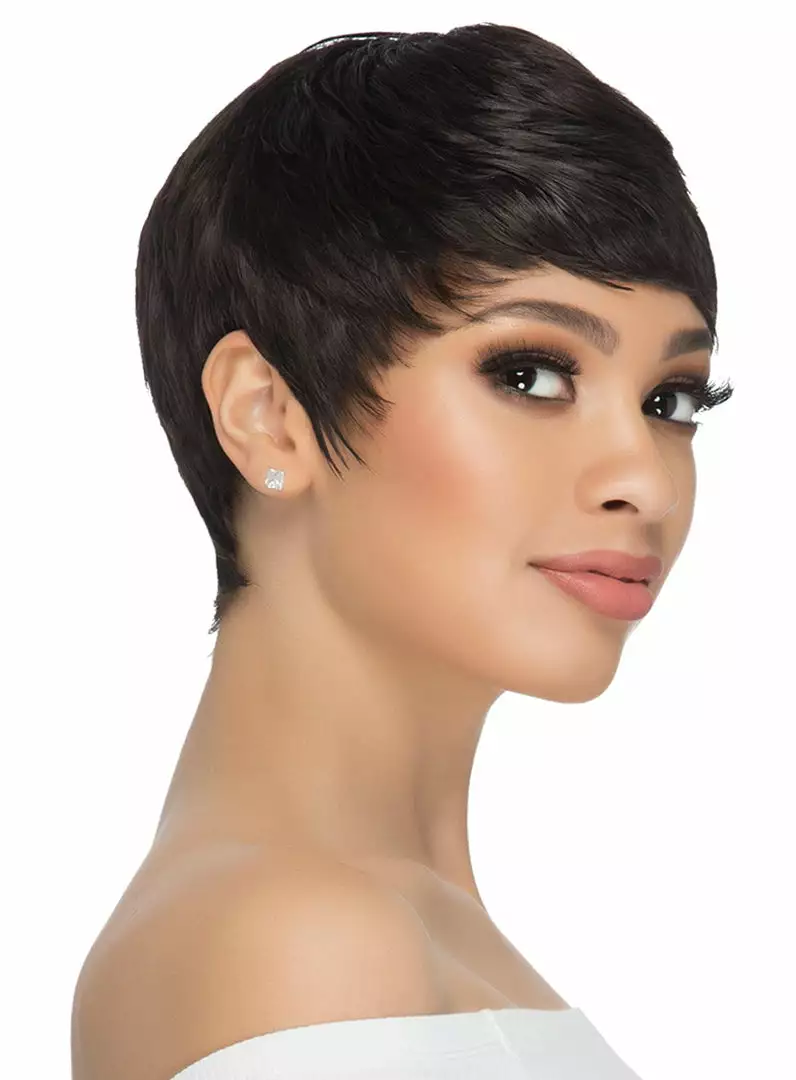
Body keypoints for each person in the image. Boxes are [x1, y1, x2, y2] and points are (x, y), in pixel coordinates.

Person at [70, 22, 734, 1080]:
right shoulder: (305, 944)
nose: (646, 481)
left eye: (673, 400)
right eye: (532, 374)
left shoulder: (393, 933)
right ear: (268, 416)